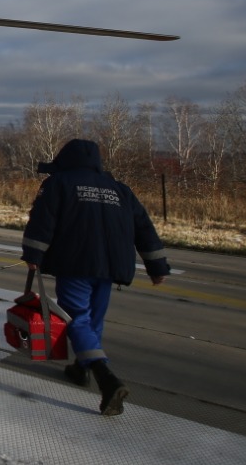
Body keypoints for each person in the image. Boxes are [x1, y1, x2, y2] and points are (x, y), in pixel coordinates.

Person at [21, 138, 170, 416]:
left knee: (77, 318)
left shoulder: (58, 183)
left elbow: (42, 220)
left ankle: (105, 377)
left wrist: (33, 255)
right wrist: (157, 267)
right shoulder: (120, 190)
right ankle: (81, 368)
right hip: (112, 267)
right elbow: (144, 228)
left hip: (76, 263)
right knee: (92, 320)